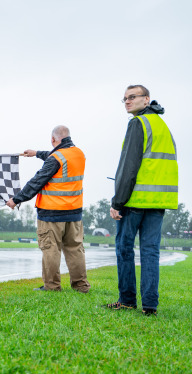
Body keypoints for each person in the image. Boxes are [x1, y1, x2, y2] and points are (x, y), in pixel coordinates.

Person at [106, 85, 178, 316]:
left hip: (135, 200)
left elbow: (129, 167)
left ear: (146, 99)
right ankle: (150, 306)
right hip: (158, 202)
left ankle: (127, 301)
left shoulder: (138, 124)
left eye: (132, 97)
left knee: (124, 248)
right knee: (150, 252)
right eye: (124, 99)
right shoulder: (162, 126)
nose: (127, 102)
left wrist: (118, 202)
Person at [6, 125, 90, 293]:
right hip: (74, 212)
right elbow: (55, 156)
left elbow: (37, 181)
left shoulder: (55, 158)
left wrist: (16, 199)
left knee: (51, 249)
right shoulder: (78, 154)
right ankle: (81, 286)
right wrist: (36, 153)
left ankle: (51, 286)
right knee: (75, 249)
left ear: (53, 139)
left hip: (51, 213)